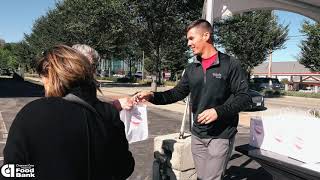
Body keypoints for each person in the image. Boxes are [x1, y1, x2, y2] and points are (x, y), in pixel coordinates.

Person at [133, 19, 251, 180]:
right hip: (197, 135)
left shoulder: (230, 64)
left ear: (206, 35)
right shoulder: (191, 68)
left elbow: (244, 97)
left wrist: (219, 111)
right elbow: (176, 93)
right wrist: (152, 96)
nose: (188, 43)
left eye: (191, 38)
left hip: (221, 135)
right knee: (202, 177)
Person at [3, 45, 134, 180]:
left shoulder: (32, 113)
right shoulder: (108, 113)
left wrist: (39, 169)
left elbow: (11, 171)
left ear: (51, 76)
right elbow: (124, 167)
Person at [72, 44, 133, 111]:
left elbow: (94, 105)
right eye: (88, 65)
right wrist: (115, 106)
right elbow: (87, 114)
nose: (93, 70)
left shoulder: (87, 84)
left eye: (94, 65)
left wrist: (114, 104)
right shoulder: (73, 86)